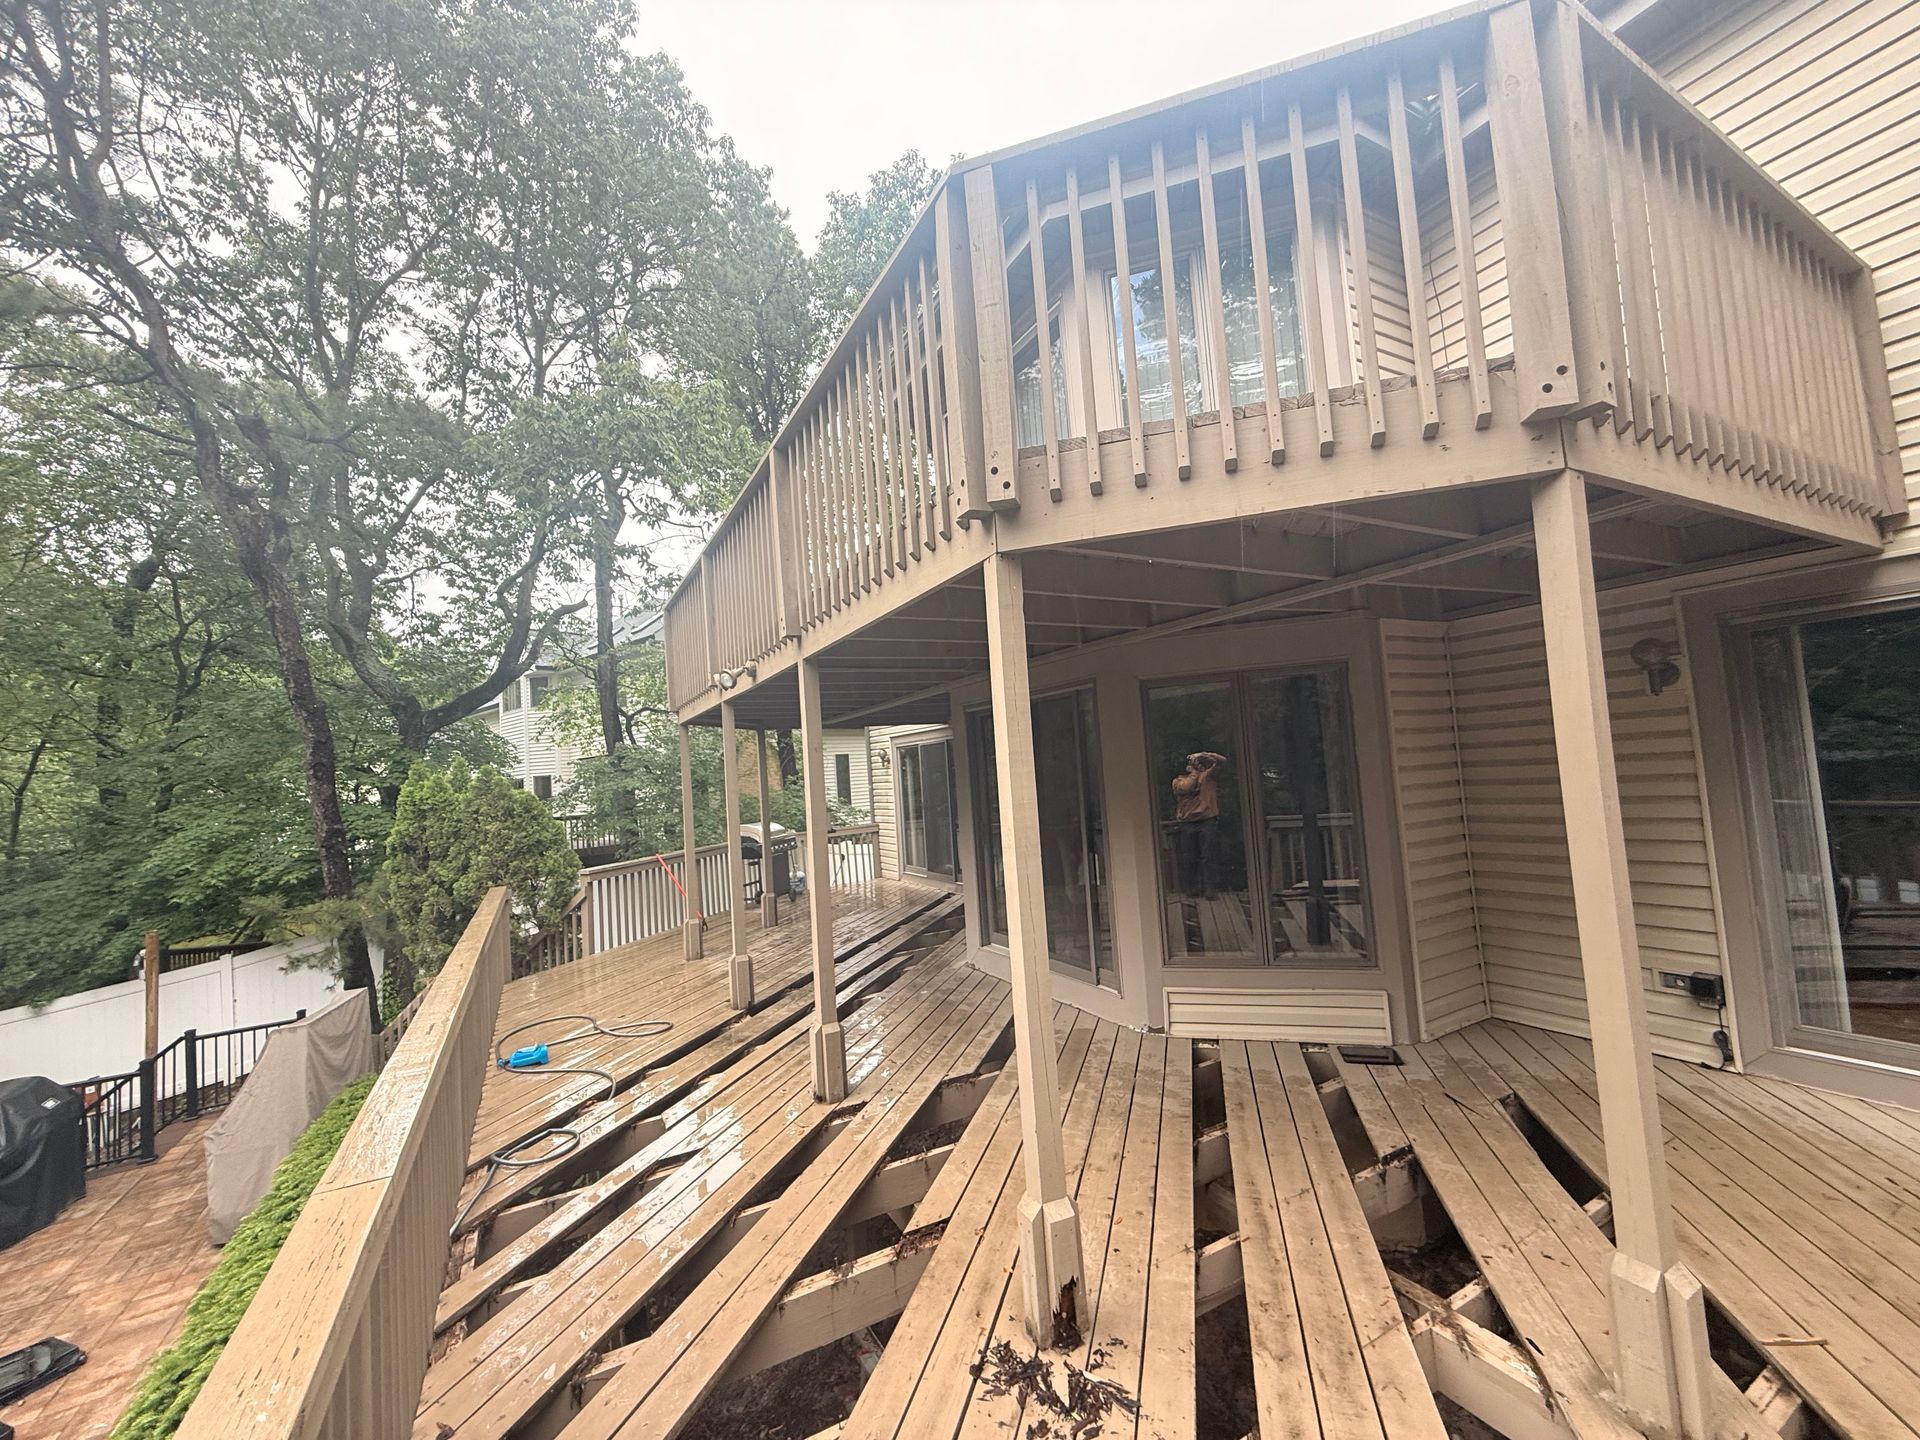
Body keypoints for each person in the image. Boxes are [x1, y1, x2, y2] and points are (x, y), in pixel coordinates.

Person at [1171, 751, 1227, 897]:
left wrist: (1205, 755)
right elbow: (1188, 787)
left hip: (1207, 820)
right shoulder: (1178, 781)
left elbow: (1222, 762)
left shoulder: (1208, 777)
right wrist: (1195, 771)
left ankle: (1210, 888)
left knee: (1208, 856)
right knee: (1190, 856)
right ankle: (1193, 888)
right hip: (1188, 822)